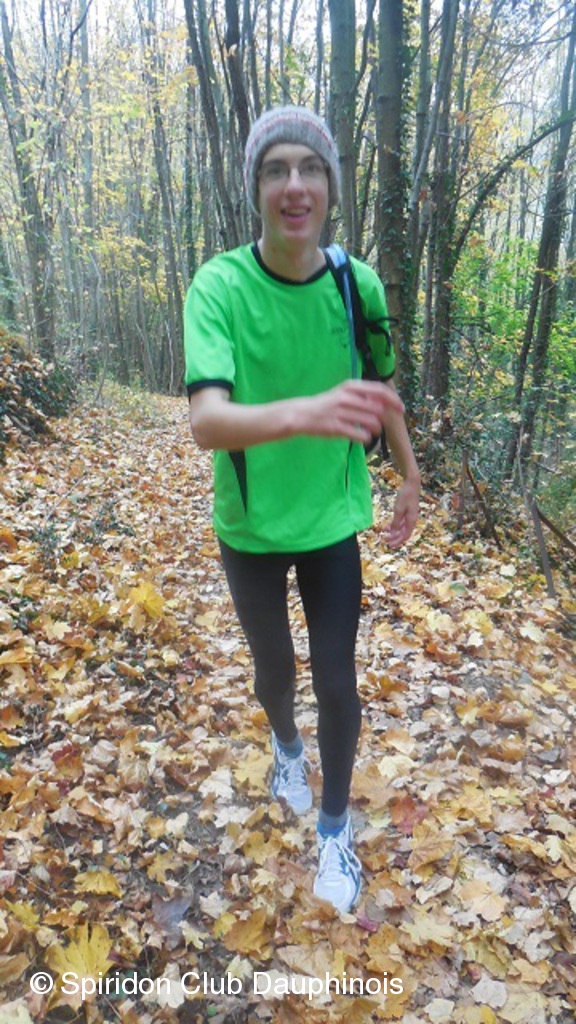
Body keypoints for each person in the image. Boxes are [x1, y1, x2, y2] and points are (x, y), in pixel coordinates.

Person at [184, 106, 420, 914]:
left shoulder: (358, 284)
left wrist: (409, 473)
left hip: (330, 519)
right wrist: (308, 412)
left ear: (330, 187)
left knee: (338, 679)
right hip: (250, 526)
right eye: (276, 169)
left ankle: (333, 831)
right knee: (275, 671)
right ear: (255, 188)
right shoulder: (219, 285)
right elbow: (206, 421)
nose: (295, 185)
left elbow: (380, 387)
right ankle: (285, 744)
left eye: (311, 168)